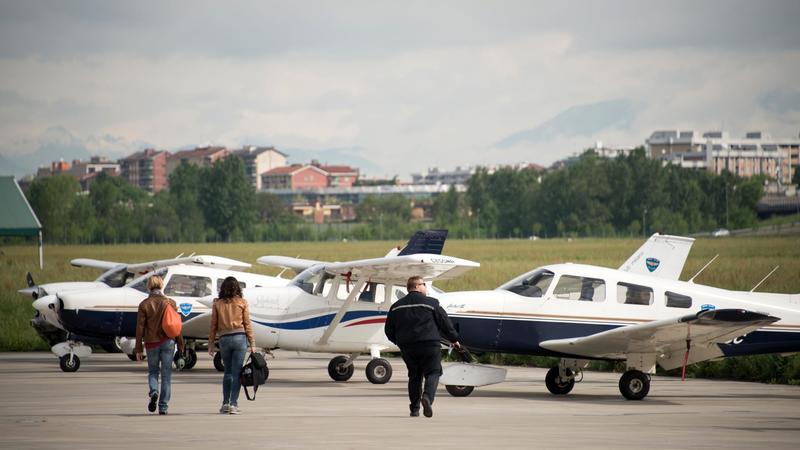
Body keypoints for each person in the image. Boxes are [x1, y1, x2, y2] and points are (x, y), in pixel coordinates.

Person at [384, 275, 461, 418]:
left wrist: (399, 342)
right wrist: (454, 339)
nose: (426, 287)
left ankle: (414, 409)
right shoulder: (432, 303)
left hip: (407, 347)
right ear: (417, 286)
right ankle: (427, 398)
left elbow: (388, 330)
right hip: (429, 344)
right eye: (424, 284)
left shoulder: (396, 307)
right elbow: (444, 322)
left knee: (414, 376)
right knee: (433, 372)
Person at [135, 275, 185, 415]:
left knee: (153, 371)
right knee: (166, 375)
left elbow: (140, 328)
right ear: (162, 285)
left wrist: (138, 348)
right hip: (168, 342)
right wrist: (181, 345)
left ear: (149, 286)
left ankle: (154, 391)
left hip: (151, 343)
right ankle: (163, 407)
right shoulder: (170, 302)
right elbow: (176, 325)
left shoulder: (144, 304)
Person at [208, 276, 256, 415]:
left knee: (227, 372)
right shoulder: (242, 302)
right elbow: (247, 324)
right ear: (237, 288)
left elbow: (213, 325)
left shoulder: (217, 304)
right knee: (237, 373)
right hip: (240, 338)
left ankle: (225, 404)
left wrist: (211, 343)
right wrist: (252, 343)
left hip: (224, 339)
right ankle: (233, 404)